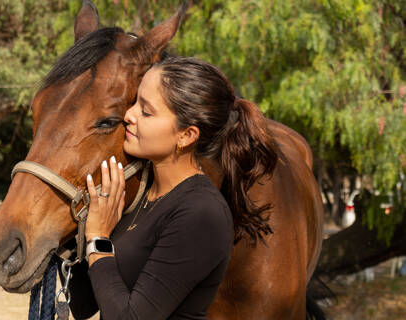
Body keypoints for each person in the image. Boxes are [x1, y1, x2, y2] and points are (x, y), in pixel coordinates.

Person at [65, 56, 278, 320]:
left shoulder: (201, 213)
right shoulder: (141, 195)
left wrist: (98, 238)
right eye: (134, 103)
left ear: (186, 135)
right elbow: (84, 305)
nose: (128, 116)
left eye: (146, 111)